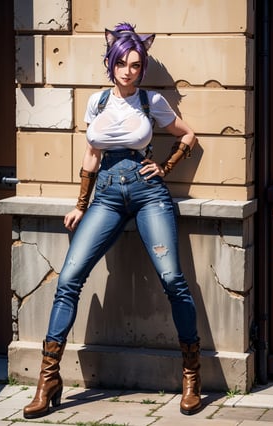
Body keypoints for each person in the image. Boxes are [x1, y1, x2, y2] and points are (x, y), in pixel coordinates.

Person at [23, 22, 201, 419]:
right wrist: (80, 204)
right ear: (111, 63)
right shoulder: (98, 103)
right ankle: (48, 379)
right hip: (105, 194)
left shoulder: (151, 102)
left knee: (173, 279)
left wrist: (166, 165)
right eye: (121, 63)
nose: (127, 70)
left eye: (135, 65)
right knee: (69, 279)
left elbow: (188, 135)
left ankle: (191, 373)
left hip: (147, 193)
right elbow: (91, 156)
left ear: (142, 69)